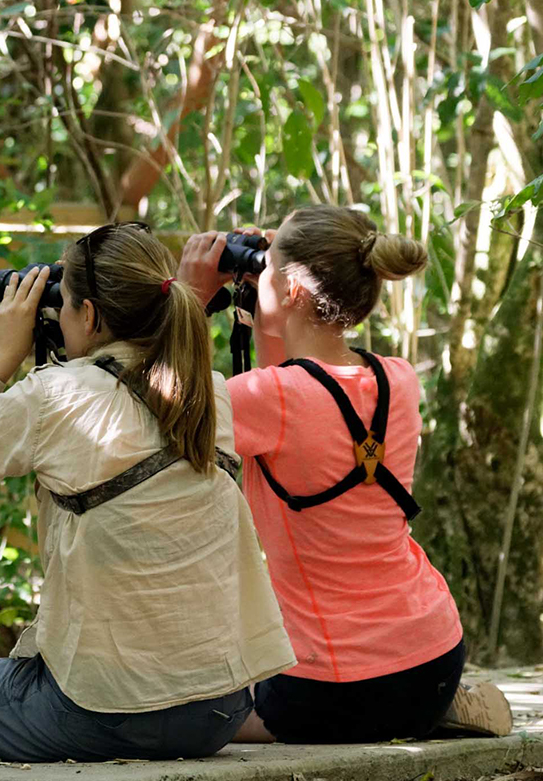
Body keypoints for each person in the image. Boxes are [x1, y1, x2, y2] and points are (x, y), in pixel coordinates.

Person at [0, 223, 296, 763]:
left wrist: (1, 359)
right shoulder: (211, 392)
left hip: (100, 710)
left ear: (87, 315)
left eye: (66, 303)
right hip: (217, 712)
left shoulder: (58, 394)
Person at [178, 205, 513, 744]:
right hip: (434, 657)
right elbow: (294, 390)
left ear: (292, 291)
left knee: (186, 714)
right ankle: (438, 709)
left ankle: (384, 717)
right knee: (394, 700)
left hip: (329, 688)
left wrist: (188, 298)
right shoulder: (397, 379)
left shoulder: (270, 401)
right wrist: (274, 299)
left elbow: (157, 401)